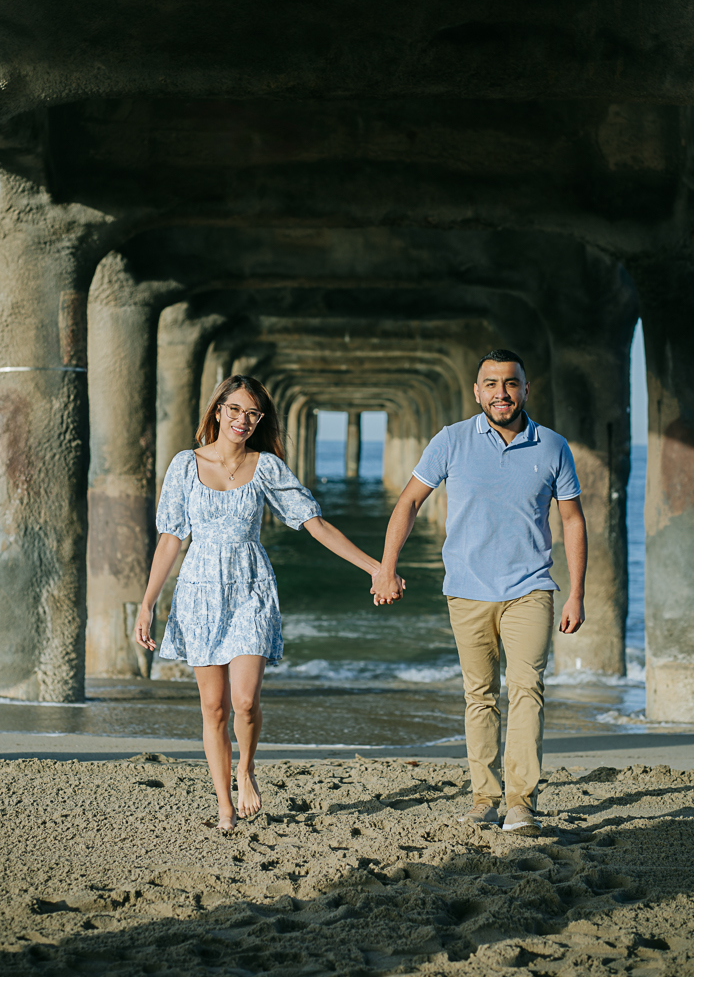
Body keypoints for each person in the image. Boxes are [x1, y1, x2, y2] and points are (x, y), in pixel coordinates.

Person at [135, 375, 396, 831]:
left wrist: (374, 567)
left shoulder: (267, 467)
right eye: (235, 410)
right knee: (214, 707)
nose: (243, 420)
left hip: (251, 589)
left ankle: (246, 769)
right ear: (218, 410)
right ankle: (223, 803)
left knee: (245, 701)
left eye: (253, 413)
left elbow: (315, 524)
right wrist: (148, 602)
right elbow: (171, 536)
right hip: (199, 591)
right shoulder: (184, 465)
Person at [370, 349, 586, 836]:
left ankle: (521, 801)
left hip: (530, 588)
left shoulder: (552, 447)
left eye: (511, 384)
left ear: (526, 390)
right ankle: (485, 796)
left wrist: (577, 594)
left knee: (528, 690)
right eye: (491, 384)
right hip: (466, 590)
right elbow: (408, 502)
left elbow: (573, 519)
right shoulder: (451, 441)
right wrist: (387, 567)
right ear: (477, 391)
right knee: (480, 695)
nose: (501, 393)